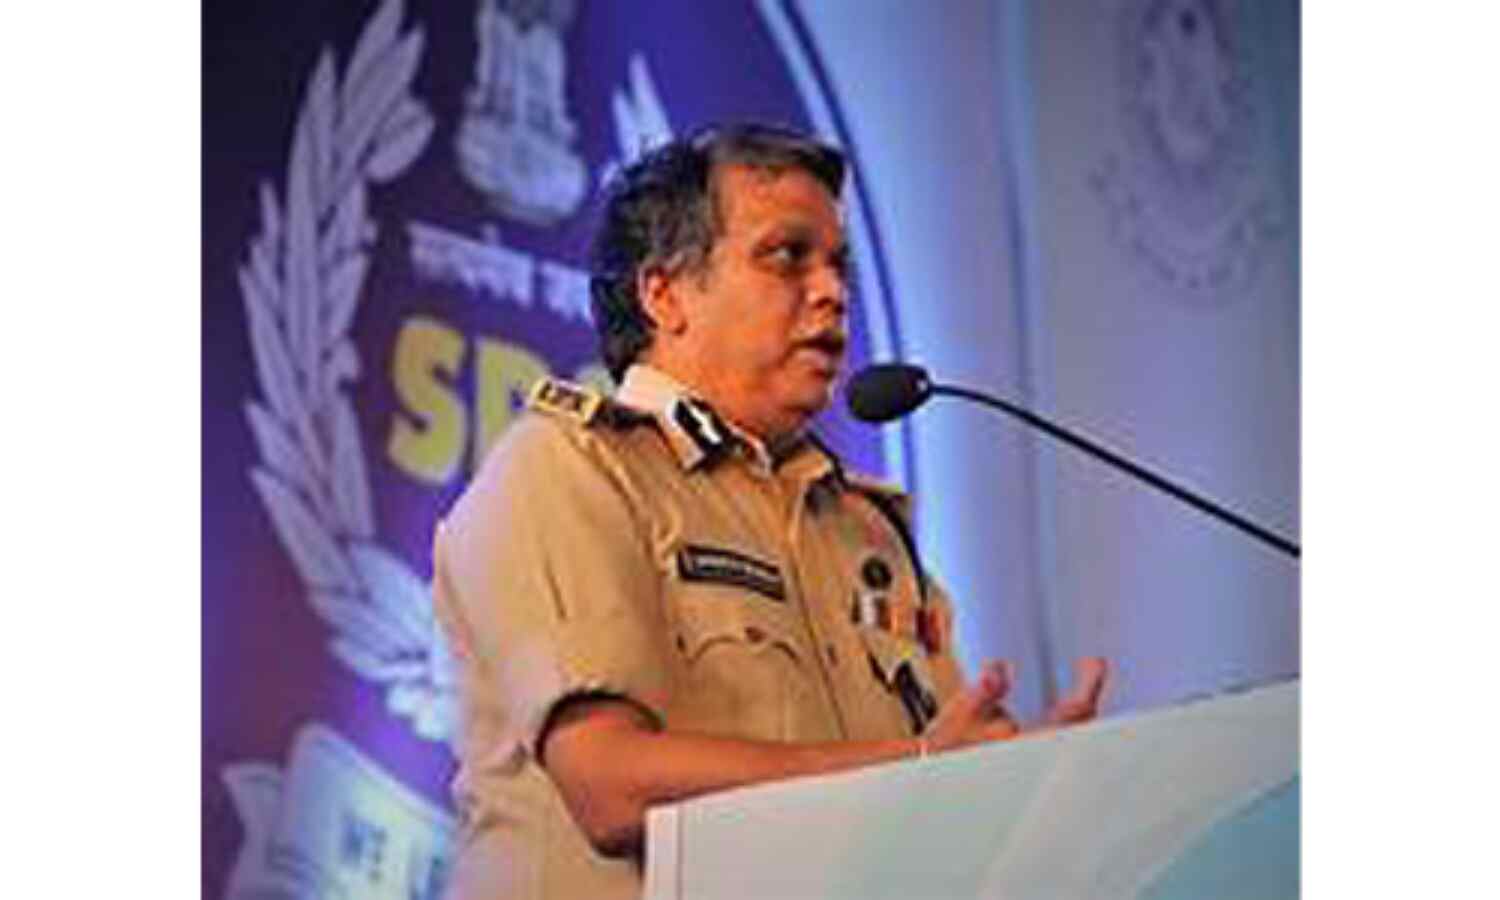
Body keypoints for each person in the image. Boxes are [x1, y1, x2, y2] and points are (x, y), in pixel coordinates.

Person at [431, 123, 1109, 899]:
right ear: (666, 295)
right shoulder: (569, 467)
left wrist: (1024, 779)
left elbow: (947, 783)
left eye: (838, 266)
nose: (831, 292)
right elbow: (610, 787)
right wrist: (923, 766)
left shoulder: (867, 528)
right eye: (787, 256)